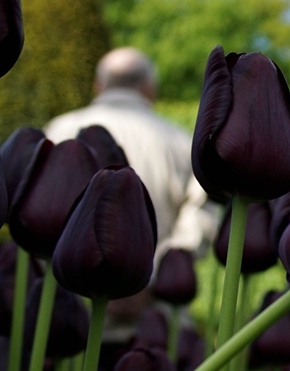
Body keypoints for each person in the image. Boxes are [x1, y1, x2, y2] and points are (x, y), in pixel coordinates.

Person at [46, 47, 213, 255]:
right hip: (150, 274)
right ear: (149, 87)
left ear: (98, 86)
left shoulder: (58, 130)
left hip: (65, 272)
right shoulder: (181, 140)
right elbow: (200, 210)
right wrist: (169, 265)